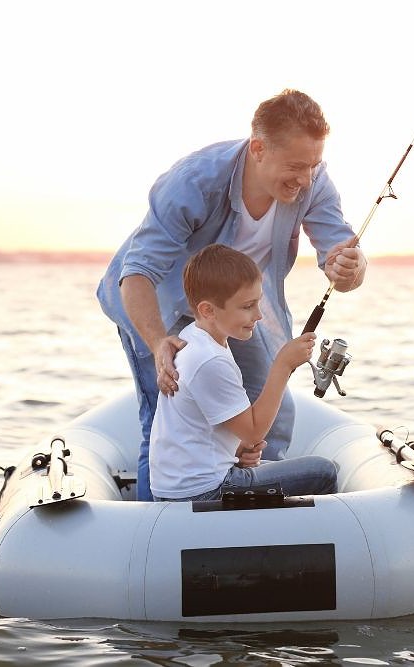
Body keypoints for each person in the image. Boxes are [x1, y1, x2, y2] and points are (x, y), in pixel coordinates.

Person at [97, 89, 366, 501]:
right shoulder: (193, 182)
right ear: (258, 149)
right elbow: (138, 274)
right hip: (157, 303)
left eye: (313, 165)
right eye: (295, 166)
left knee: (270, 415)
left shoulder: (313, 183)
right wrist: (157, 344)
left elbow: (342, 255)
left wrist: (348, 269)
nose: (305, 179)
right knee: (161, 417)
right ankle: (159, 532)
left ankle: (252, 521)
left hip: (235, 307)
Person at [149, 244, 337, 502]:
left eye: (258, 302)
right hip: (204, 491)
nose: (258, 315)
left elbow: (203, 427)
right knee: (323, 472)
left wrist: (237, 451)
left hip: (185, 485)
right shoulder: (209, 359)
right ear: (208, 310)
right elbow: (254, 432)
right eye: (248, 306)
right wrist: (283, 364)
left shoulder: (195, 337)